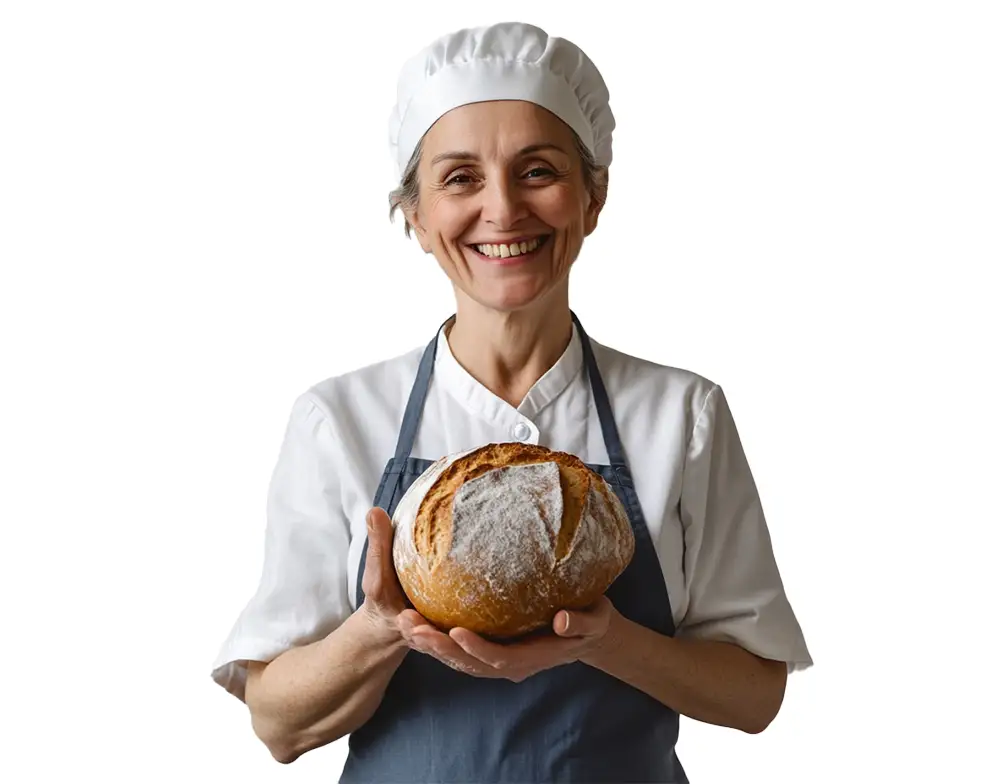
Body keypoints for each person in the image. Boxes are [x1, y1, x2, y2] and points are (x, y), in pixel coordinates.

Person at [210, 21, 813, 783]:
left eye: (537, 171)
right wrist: (378, 628)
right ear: (417, 218)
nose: (502, 209)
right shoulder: (340, 420)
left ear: (592, 197)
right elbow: (277, 724)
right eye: (460, 178)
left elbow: (755, 694)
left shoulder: (681, 414)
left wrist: (607, 640)